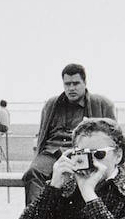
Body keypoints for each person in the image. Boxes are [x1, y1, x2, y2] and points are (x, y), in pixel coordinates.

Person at [23, 64, 115, 205]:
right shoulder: (51, 104)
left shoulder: (101, 103)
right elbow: (43, 133)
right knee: (33, 173)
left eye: (76, 83)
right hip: (51, 152)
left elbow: (114, 137)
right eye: (67, 84)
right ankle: (36, 215)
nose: (71, 88)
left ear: (85, 83)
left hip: (80, 153)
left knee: (82, 180)